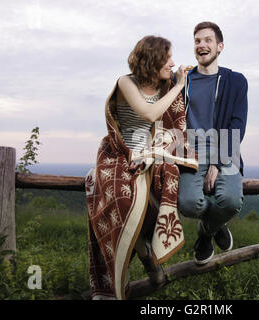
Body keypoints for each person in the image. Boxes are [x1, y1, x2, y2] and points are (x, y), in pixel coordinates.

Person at [85, 35, 197, 300]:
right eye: (167, 57)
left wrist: (182, 79)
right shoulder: (126, 82)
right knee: (122, 199)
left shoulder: (164, 85)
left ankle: (149, 249)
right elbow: (148, 115)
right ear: (152, 59)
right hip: (120, 154)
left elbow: (173, 120)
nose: (172, 62)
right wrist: (178, 85)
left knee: (166, 176)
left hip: (152, 153)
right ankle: (147, 257)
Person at [177, 22, 248, 265]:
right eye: (197, 41)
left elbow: (238, 124)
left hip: (224, 146)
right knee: (187, 204)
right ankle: (216, 226)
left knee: (230, 201)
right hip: (188, 150)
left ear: (220, 46)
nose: (201, 45)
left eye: (207, 40)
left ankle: (205, 233)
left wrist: (218, 162)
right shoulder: (183, 82)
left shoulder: (236, 81)